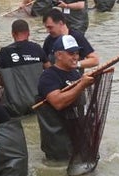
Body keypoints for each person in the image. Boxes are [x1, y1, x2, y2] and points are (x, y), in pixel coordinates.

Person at [35, 33, 94, 161]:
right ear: (58, 55)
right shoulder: (48, 76)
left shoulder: (75, 74)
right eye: (71, 53)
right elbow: (57, 102)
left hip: (77, 134)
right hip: (58, 140)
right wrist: (81, 86)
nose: (76, 57)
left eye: (77, 53)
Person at [0, 19, 46, 116]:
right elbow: (50, 70)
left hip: (15, 106)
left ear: (13, 34)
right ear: (28, 33)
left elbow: (1, 82)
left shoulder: (5, 52)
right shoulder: (37, 48)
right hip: (38, 103)